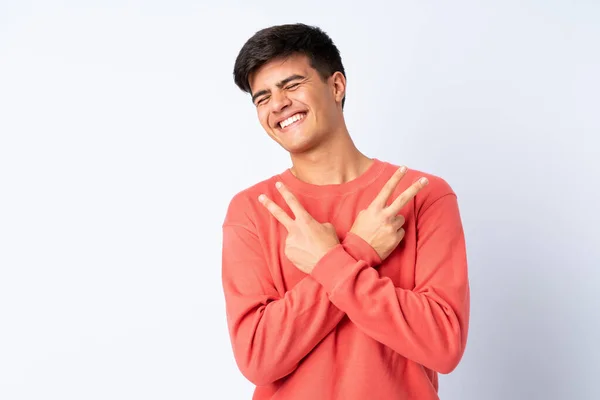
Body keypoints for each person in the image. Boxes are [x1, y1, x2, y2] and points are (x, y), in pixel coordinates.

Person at [221, 23, 470, 400]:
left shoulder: (422, 195)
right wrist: (357, 250)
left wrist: (329, 262)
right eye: (262, 97)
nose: (277, 105)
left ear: (336, 86)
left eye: (291, 85)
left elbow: (443, 345)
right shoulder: (252, 210)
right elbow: (258, 357)